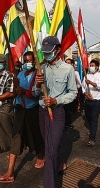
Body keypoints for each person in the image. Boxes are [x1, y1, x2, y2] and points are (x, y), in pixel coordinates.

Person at [32, 36, 77, 188]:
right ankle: (58, 165)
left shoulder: (68, 69)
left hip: (56, 113)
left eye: (49, 51)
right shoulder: (41, 68)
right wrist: (38, 85)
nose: (46, 55)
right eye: (44, 52)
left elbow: (73, 93)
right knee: (50, 145)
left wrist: (56, 101)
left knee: (49, 153)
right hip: (42, 113)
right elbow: (34, 93)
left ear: (58, 50)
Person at [0, 51, 44, 184]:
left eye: (30, 61)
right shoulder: (20, 74)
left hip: (33, 110)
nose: (28, 63)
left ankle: (41, 155)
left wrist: (24, 91)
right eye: (26, 61)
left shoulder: (38, 75)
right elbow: (15, 93)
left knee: (36, 135)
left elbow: (36, 93)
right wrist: (16, 89)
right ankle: (10, 172)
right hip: (21, 109)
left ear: (34, 61)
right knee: (16, 137)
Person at [81, 59, 100, 146]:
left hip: (97, 101)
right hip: (88, 100)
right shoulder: (86, 76)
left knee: (94, 119)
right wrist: (85, 94)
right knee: (88, 117)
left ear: (96, 67)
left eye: (92, 65)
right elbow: (83, 87)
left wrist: (90, 82)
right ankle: (92, 129)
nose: (91, 67)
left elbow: (99, 86)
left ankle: (92, 139)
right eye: (90, 65)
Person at [64, 58, 81, 132]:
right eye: (66, 62)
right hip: (62, 94)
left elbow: (79, 84)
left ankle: (68, 124)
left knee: (67, 110)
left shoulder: (75, 73)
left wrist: (73, 88)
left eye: (69, 63)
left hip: (69, 94)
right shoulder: (62, 71)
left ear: (72, 64)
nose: (67, 64)